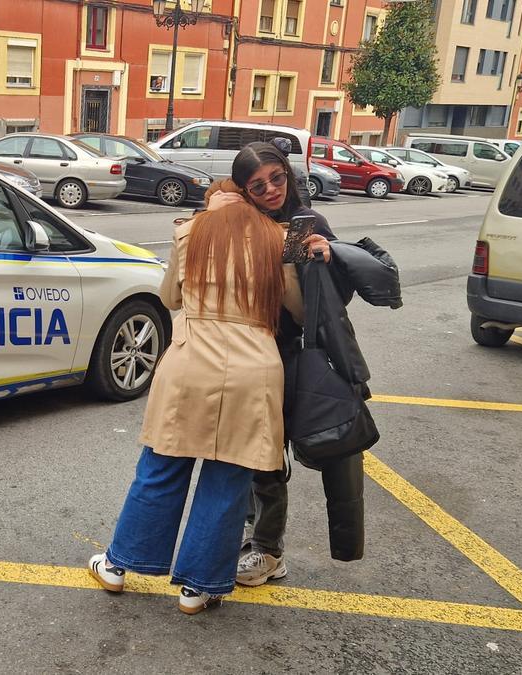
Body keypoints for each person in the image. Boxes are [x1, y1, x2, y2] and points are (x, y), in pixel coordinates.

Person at [87, 167, 330, 615]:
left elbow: (171, 299)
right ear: (249, 197)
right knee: (229, 480)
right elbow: (297, 309)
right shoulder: (279, 238)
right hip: (253, 366)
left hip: (191, 360)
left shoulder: (188, 231)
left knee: (162, 467)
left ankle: (119, 566)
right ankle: (198, 588)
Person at [205, 142, 337, 588]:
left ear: (288, 174)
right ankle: (245, 534)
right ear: (244, 190)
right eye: (257, 186)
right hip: (230, 350)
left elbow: (322, 305)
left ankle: (268, 549)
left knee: (265, 454)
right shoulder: (239, 222)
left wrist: (323, 257)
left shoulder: (306, 224)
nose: (271, 190)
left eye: (277, 178)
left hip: (278, 351)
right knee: (235, 450)